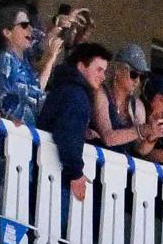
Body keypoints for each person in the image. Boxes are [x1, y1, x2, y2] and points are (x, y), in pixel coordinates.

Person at [40, 41, 111, 207]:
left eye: (105, 71)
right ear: (81, 67)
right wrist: (76, 173)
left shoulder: (67, 88)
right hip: (55, 178)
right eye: (99, 69)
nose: (103, 76)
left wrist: (82, 131)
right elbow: (67, 134)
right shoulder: (76, 94)